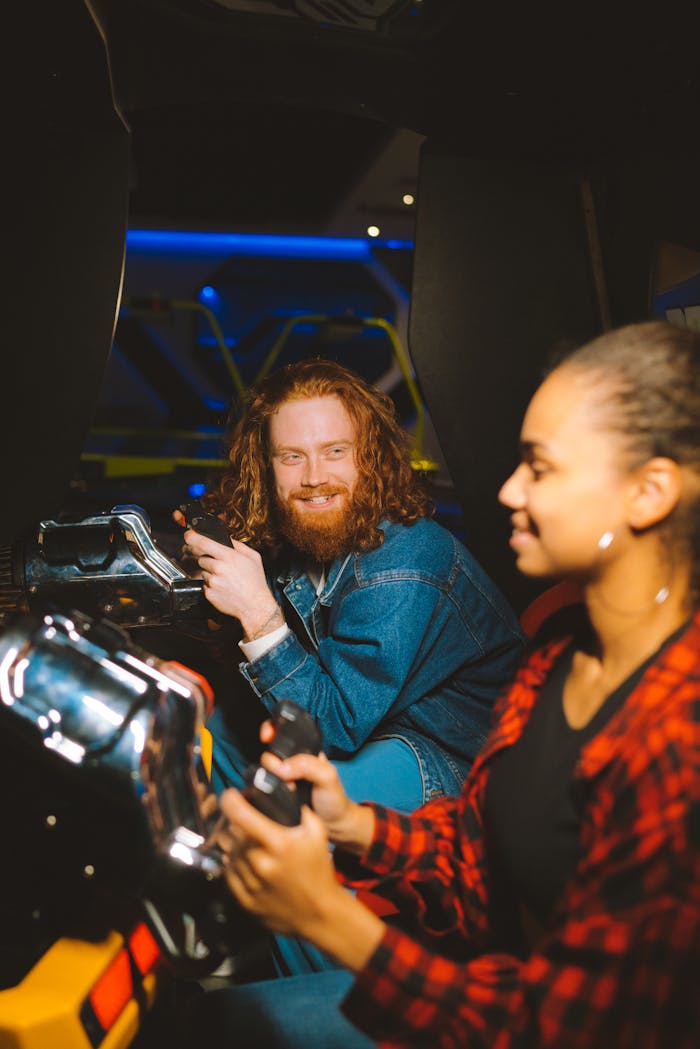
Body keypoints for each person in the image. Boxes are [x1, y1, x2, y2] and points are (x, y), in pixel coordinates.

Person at [189, 321, 700, 1048]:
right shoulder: (554, 667)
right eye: (292, 457)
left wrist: (327, 919)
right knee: (201, 1021)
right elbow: (484, 858)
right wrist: (351, 821)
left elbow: (566, 1026)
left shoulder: (678, 733)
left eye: (541, 467)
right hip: (497, 979)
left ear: (649, 494)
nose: (507, 488)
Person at [180, 358, 524, 819]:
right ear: (267, 468)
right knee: (220, 730)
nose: (314, 477)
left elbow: (332, 727)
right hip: (381, 729)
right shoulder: (302, 533)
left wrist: (257, 609)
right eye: (292, 456)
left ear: (370, 457)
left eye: (335, 451)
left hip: (457, 757)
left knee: (296, 800)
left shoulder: (406, 563)